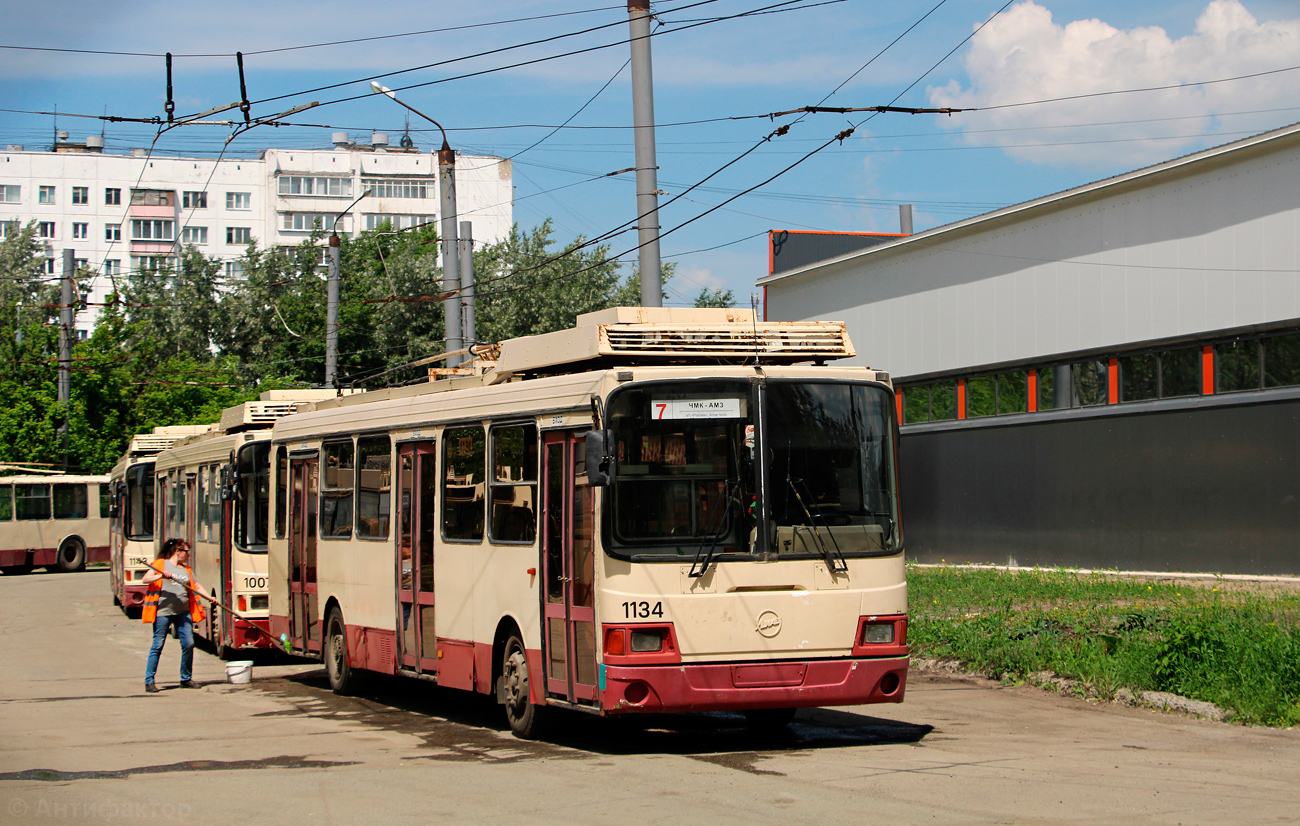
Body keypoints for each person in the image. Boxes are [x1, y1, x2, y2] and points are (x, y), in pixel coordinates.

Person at [141, 538, 212, 693]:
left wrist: (210, 598)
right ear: (177, 551)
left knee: (189, 643)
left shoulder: (186, 570)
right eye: (186, 552)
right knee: (157, 645)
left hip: (183, 612)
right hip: (163, 613)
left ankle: (185, 678)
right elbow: (145, 579)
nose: (188, 555)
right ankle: (149, 680)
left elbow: (197, 586)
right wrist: (160, 577)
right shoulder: (160, 565)